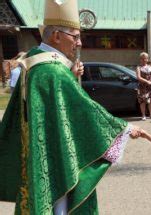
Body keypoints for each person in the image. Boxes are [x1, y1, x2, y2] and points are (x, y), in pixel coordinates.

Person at [0, 0, 140, 214]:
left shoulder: (34, 61)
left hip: (40, 154)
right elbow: (84, 110)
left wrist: (71, 76)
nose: (80, 42)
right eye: (75, 36)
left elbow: (57, 109)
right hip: (55, 160)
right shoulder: (53, 72)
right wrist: (124, 128)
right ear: (56, 36)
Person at [136, 52, 151, 120]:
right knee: (142, 101)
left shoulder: (149, 66)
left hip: (150, 86)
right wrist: (147, 81)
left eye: (146, 58)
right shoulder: (138, 67)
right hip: (142, 87)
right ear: (140, 59)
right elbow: (138, 77)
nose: (144, 60)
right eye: (143, 58)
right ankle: (143, 115)